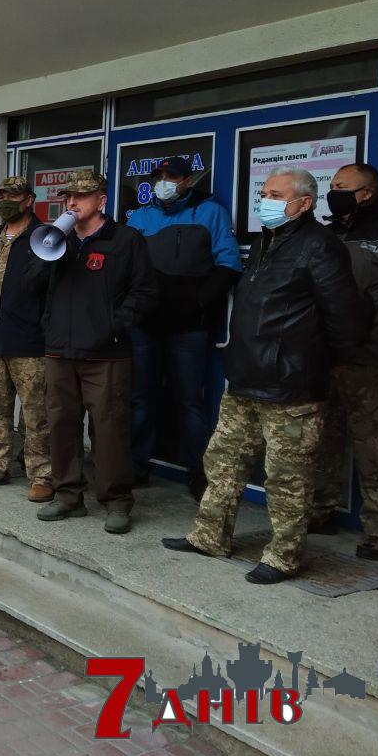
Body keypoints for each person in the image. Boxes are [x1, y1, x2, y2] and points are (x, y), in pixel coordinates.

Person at [164, 167, 367, 583]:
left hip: (291, 386)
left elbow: (343, 318)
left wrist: (324, 365)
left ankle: (283, 556)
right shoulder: (266, 241)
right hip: (244, 377)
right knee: (222, 464)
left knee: (287, 479)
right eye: (265, 192)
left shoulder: (319, 246)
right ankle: (209, 536)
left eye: (275, 194)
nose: (265, 200)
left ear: (304, 203)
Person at [27, 170, 156, 535]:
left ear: (101, 201)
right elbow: (30, 285)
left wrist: (113, 325)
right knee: (61, 424)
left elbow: (145, 293)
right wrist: (51, 250)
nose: (72, 203)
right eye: (68, 197)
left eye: (81, 197)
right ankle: (68, 495)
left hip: (106, 353)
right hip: (59, 351)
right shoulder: (57, 241)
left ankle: (116, 500)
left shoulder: (125, 240)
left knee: (110, 428)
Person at [126, 156, 241, 499]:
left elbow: (229, 265)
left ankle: (199, 474)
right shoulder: (141, 217)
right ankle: (136, 466)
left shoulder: (211, 212)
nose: (164, 181)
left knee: (190, 401)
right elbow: (127, 269)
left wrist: (198, 303)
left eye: (171, 176)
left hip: (189, 328)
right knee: (141, 399)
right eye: (159, 175)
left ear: (188, 180)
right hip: (146, 326)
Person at [309, 164, 378, 559]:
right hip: (325, 357)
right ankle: (319, 509)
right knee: (323, 439)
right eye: (332, 185)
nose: (333, 191)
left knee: (376, 447)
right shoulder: (326, 233)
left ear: (367, 193)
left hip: (370, 360)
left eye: (342, 186)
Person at [0, 176, 52, 501]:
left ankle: (42, 474)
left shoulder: (43, 238)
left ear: (28, 200)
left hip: (30, 341)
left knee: (36, 414)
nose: (6, 201)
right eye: (1, 195)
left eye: (13, 195)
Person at [325, 162, 378, 241]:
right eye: (332, 187)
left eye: (340, 187)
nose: (333, 192)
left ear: (366, 194)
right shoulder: (323, 234)